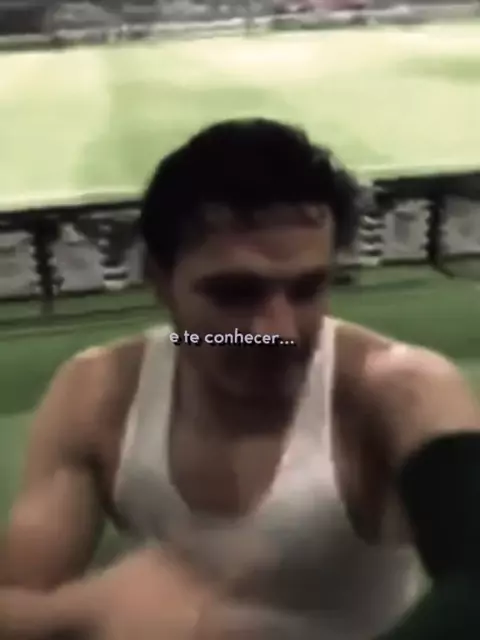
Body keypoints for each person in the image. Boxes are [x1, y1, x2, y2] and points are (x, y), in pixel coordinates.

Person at [1, 117, 480, 640]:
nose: (278, 331)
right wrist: (80, 611)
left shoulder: (401, 390)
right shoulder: (99, 393)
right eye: (235, 293)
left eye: (307, 289)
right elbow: (13, 600)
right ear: (160, 280)